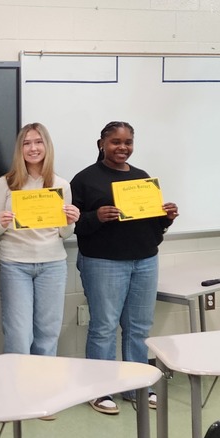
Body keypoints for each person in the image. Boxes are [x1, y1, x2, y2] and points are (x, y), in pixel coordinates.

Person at [71, 121, 179, 415]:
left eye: (128, 142)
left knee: (139, 327)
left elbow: (154, 227)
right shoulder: (84, 179)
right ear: (102, 144)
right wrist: (96, 217)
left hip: (144, 260)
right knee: (104, 326)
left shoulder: (142, 179)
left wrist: (167, 217)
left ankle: (137, 385)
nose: (122, 148)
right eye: (116, 142)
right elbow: (71, 224)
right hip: (103, 262)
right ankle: (100, 388)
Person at [0, 123, 79, 358]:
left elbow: (64, 233)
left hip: (53, 264)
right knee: (18, 333)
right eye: (26, 143)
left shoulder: (61, 185)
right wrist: (3, 222)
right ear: (20, 149)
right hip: (15, 264)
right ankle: (17, 389)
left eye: (38, 142)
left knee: (48, 332)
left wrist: (70, 221)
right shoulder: (6, 183)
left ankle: (44, 389)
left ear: (47, 146)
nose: (33, 148)